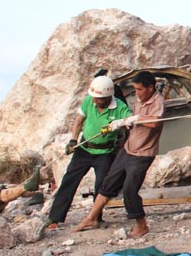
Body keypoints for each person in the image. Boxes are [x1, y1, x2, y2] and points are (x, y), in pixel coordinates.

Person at [74, 71, 164, 238]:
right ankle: (91, 218)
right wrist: (122, 123)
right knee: (108, 184)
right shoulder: (140, 98)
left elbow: (154, 122)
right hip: (128, 148)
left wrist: (135, 118)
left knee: (130, 189)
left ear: (150, 88)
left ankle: (141, 225)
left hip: (143, 153)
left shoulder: (158, 101)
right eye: (135, 89)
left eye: (139, 89)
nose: (136, 93)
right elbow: (133, 122)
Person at [47, 75, 131, 228]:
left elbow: (131, 120)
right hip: (84, 149)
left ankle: (95, 218)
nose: (94, 100)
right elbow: (79, 120)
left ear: (107, 97)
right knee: (69, 181)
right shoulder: (88, 100)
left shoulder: (120, 107)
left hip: (105, 153)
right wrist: (73, 140)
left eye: (98, 98)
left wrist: (119, 123)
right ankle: (54, 218)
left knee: (101, 185)